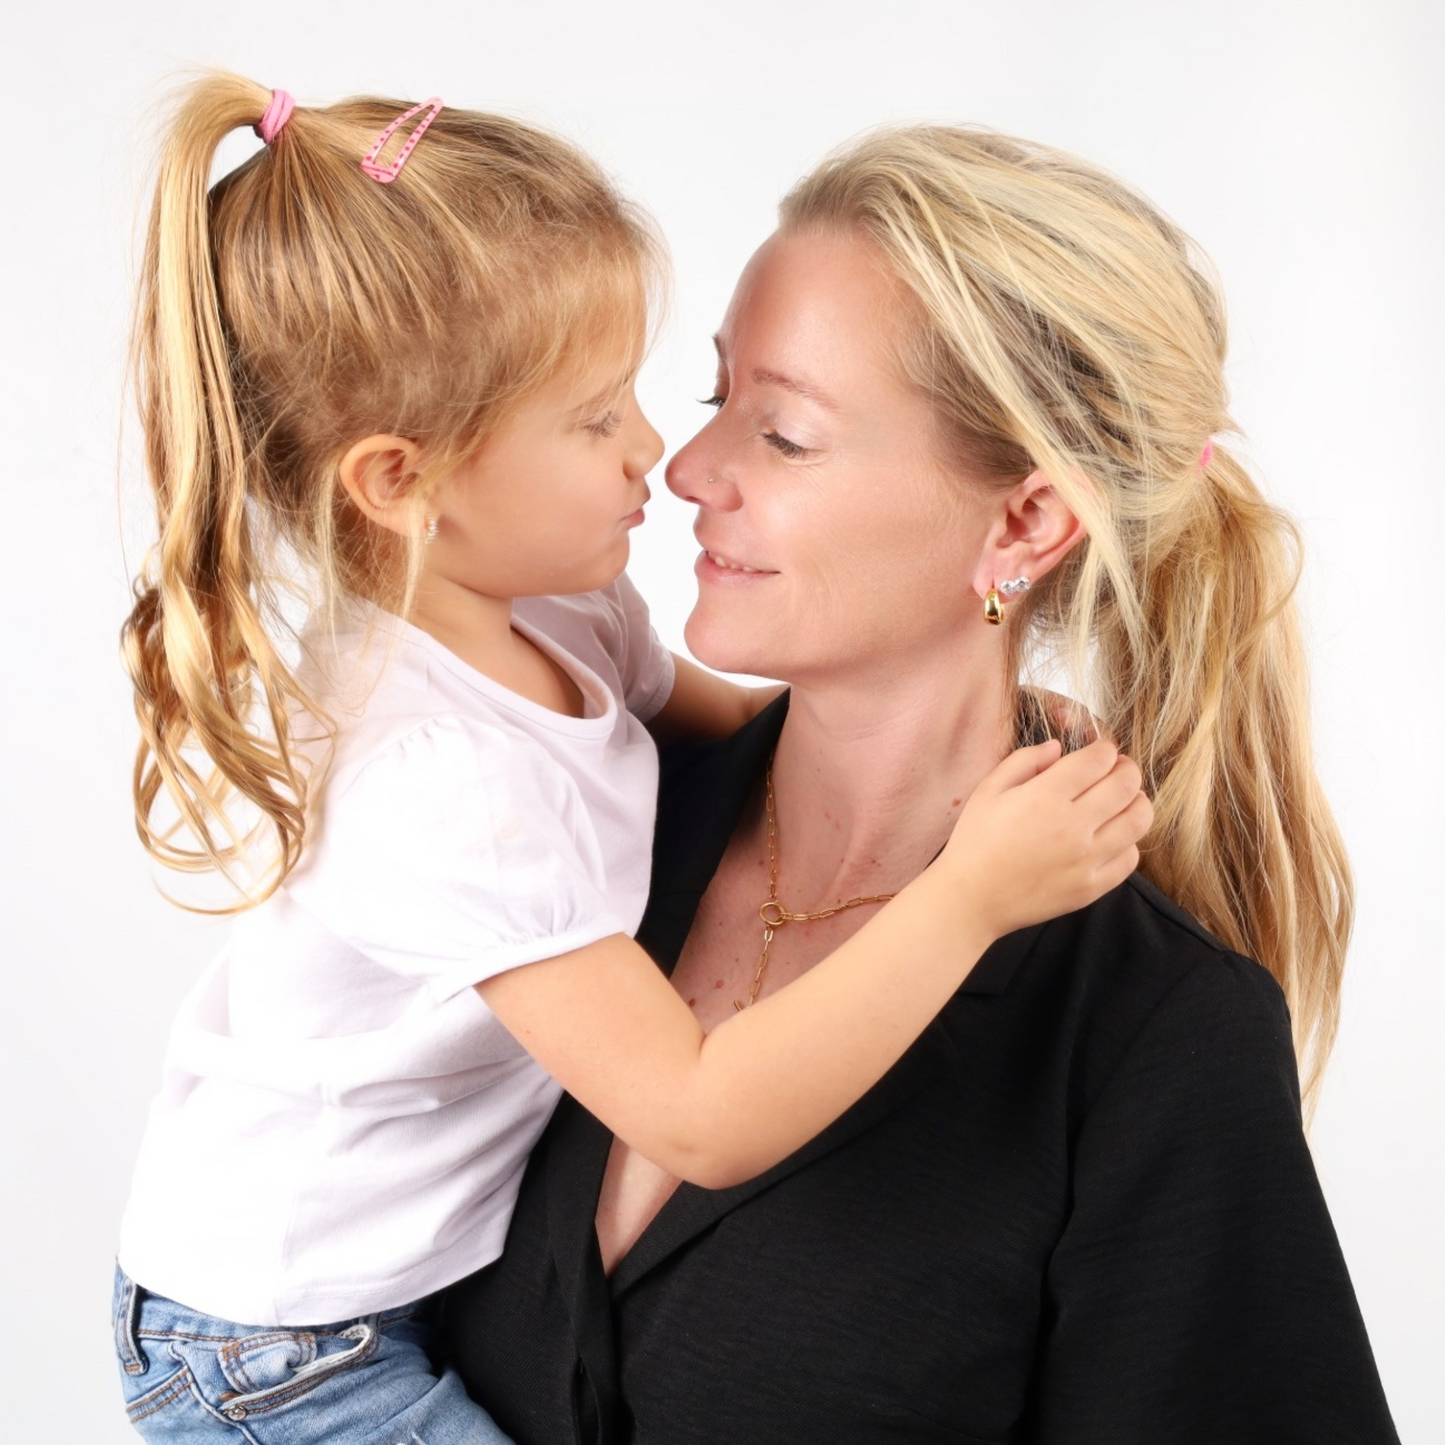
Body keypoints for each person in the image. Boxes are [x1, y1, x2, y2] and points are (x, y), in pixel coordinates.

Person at [111, 81, 1150, 1444]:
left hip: (403, 1272)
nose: (658, 456)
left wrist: (970, 765)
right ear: (399, 481)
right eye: (595, 417)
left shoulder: (556, 606)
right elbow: (703, 1115)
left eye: (693, 402)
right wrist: (967, 895)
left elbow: (728, 735)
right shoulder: (437, 777)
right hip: (281, 1344)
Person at [441, 125, 1401, 1442]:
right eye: (717, 395)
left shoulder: (1151, 1033)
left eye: (781, 433)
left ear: (1023, 524)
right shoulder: (576, 822)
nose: (688, 469)